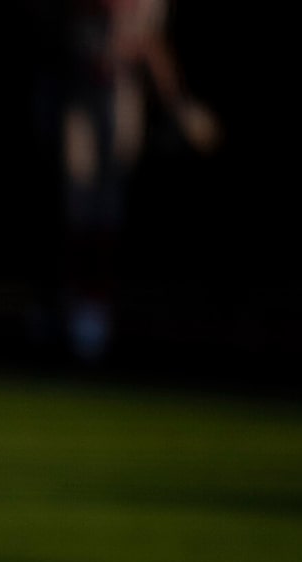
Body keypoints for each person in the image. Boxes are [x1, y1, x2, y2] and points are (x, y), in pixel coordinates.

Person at [57, 0, 221, 361]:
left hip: (120, 92)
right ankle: (68, 304)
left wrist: (180, 105)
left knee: (106, 207)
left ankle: (94, 310)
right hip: (80, 89)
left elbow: (151, 46)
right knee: (78, 204)